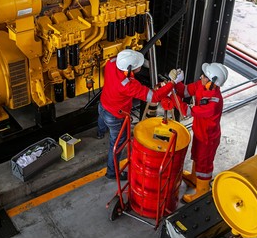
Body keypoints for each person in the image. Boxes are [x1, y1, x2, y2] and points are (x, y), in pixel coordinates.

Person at [97, 49, 184, 180]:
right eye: (138, 66)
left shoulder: (112, 63)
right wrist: (173, 83)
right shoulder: (129, 86)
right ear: (129, 69)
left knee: (102, 120)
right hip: (115, 116)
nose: (140, 67)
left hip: (103, 105)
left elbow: (120, 57)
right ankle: (112, 172)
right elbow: (154, 97)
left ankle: (99, 133)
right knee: (116, 145)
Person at [169, 62, 228, 202]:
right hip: (199, 132)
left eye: (204, 76)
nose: (201, 76)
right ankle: (195, 178)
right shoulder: (202, 85)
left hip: (208, 138)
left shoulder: (213, 103)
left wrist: (172, 96)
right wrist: (177, 82)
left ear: (212, 82)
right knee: (196, 155)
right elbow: (185, 91)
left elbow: (188, 111)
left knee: (204, 163)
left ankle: (202, 190)